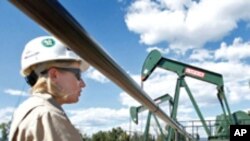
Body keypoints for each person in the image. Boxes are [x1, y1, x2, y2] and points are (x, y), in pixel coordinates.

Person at [9, 36, 89, 141]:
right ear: (54, 75)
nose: (83, 84)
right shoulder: (47, 115)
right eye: (78, 75)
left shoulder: (27, 110)